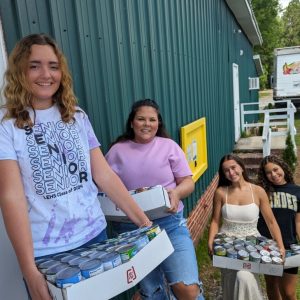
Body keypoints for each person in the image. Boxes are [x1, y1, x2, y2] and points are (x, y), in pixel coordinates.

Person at [0, 33, 152, 300]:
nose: (46, 74)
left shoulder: (77, 117)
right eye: (35, 65)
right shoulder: (7, 126)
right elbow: (11, 197)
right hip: (47, 254)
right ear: (20, 70)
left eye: (54, 66)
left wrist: (142, 220)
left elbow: (103, 174)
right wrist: (28, 269)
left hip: (94, 236)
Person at [105, 99, 204, 300]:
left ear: (158, 123)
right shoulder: (117, 151)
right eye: (141, 119)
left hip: (170, 223)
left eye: (152, 119)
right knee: (153, 293)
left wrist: (176, 193)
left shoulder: (169, 146)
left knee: (188, 290)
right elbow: (104, 187)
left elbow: (187, 182)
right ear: (132, 122)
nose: (147, 124)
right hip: (131, 230)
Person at [208, 153, 285, 300]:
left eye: (233, 167)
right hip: (226, 245)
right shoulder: (220, 192)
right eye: (226, 170)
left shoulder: (257, 191)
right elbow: (215, 221)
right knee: (230, 283)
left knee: (245, 277)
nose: (231, 173)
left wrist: (280, 246)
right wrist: (210, 241)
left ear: (241, 167)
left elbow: (271, 222)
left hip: (252, 246)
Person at [258, 155, 300, 300]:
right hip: (267, 246)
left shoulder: (297, 191)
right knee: (272, 285)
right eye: (268, 173)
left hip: (289, 246)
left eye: (275, 169)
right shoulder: (262, 192)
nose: (274, 175)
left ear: (283, 167)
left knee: (289, 292)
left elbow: (298, 222)